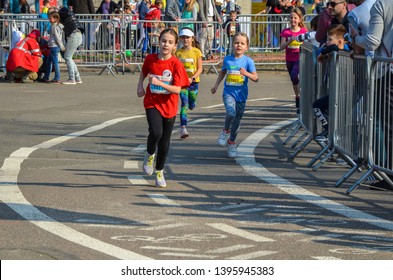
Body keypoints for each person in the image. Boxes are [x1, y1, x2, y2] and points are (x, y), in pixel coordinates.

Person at [137, 29, 190, 187]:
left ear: (175, 46)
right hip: (152, 101)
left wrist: (160, 84)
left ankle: (159, 171)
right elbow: (144, 72)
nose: (166, 44)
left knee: (165, 143)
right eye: (164, 41)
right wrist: (140, 85)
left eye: (170, 42)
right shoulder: (151, 59)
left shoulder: (176, 64)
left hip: (169, 106)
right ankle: (149, 153)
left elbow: (178, 89)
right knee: (156, 132)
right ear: (159, 42)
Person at [351, 0, 393, 189]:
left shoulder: (382, 4)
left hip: (387, 71)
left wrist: (355, 39)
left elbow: (372, 41)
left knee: (387, 124)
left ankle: (389, 175)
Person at [211, 32, 259, 158]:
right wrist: (216, 85)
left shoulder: (248, 61)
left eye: (242, 43)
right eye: (236, 43)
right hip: (228, 93)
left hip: (241, 96)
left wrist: (246, 73)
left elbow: (256, 78)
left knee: (237, 120)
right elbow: (222, 73)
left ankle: (232, 142)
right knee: (230, 112)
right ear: (232, 45)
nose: (239, 45)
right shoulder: (227, 59)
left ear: (246, 47)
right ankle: (225, 130)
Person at [313, 24, 351, 141]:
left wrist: (324, 51)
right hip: (337, 91)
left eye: (330, 40)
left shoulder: (341, 52)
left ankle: (329, 130)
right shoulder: (334, 52)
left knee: (317, 106)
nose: (327, 42)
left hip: (344, 92)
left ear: (340, 42)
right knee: (318, 106)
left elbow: (332, 48)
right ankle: (330, 132)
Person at [175, 28, 203, 138]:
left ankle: (193, 103)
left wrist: (193, 78)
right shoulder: (178, 53)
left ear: (192, 38)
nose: (185, 39)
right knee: (184, 104)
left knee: (191, 103)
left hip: (193, 83)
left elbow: (200, 69)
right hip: (182, 83)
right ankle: (183, 128)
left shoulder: (197, 52)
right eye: (183, 37)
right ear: (180, 39)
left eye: (188, 37)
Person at [279, 7, 308, 114]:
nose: (293, 20)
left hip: (300, 59)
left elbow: (308, 45)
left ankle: (301, 97)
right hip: (289, 59)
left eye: (295, 18)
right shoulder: (286, 32)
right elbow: (281, 47)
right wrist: (289, 41)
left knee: (294, 75)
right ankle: (298, 97)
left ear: (300, 19)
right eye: (291, 18)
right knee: (294, 80)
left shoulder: (304, 32)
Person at [58, 6, 84, 85]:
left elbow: (64, 13)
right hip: (77, 35)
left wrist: (57, 11)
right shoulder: (71, 17)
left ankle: (72, 79)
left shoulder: (65, 14)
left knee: (67, 57)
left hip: (74, 35)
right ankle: (77, 78)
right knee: (69, 57)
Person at [43, 11, 65, 84]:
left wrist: (61, 46)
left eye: (51, 18)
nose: (49, 19)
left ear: (56, 18)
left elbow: (56, 37)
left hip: (54, 46)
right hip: (54, 46)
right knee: (48, 62)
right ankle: (46, 76)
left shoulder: (54, 26)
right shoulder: (60, 26)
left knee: (55, 63)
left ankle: (57, 78)